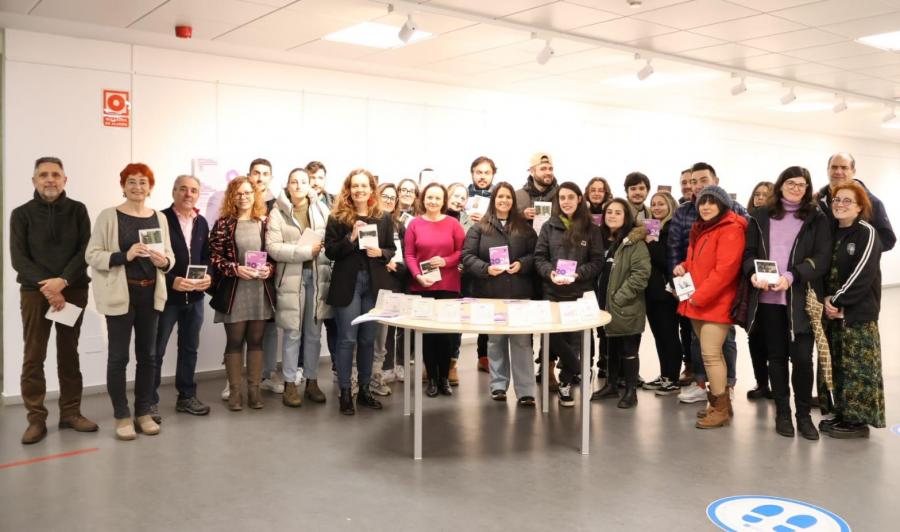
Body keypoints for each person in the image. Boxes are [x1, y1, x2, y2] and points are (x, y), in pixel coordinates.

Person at [85, 163, 175, 441]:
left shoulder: (159, 217)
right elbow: (92, 255)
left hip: (151, 295)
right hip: (121, 295)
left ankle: (143, 412)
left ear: (150, 187)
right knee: (119, 358)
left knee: (148, 357)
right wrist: (124, 255)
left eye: (143, 182)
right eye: (132, 182)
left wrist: (165, 262)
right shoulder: (108, 216)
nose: (138, 187)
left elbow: (169, 256)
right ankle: (122, 415)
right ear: (123, 185)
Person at [11, 156, 98, 444]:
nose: (50, 179)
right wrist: (50, 287)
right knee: (34, 357)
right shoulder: (21, 214)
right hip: (35, 294)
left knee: (68, 354)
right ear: (34, 180)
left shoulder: (77, 211)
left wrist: (62, 282)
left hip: (72, 291)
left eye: (56, 174)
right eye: (44, 175)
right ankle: (36, 419)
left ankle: (71, 413)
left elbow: (85, 250)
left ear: (65, 180)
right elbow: (19, 259)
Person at [743, 167, 831, 440]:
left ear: (807, 189)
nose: (796, 188)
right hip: (768, 301)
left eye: (802, 185)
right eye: (791, 183)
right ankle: (782, 413)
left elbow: (822, 257)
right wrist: (753, 273)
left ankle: (803, 416)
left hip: (800, 300)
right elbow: (748, 254)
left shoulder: (817, 218)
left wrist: (793, 276)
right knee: (777, 359)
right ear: (780, 186)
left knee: (803, 359)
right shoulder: (759, 217)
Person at [668, 162, 747, 405]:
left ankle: (721, 405)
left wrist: (698, 297)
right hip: (697, 300)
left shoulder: (732, 228)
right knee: (707, 352)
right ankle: (715, 400)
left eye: (711, 201)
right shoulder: (702, 229)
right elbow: (696, 261)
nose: (706, 206)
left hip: (713, 302)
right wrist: (683, 267)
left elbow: (724, 271)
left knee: (713, 354)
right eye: (702, 202)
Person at [324, 169, 396, 415]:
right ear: (348, 189)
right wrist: (351, 237)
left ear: (371, 189)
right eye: (355, 186)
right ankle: (346, 392)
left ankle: (365, 390)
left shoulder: (384, 217)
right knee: (347, 339)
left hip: (374, 285)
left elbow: (391, 248)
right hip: (348, 285)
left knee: (368, 340)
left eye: (364, 186)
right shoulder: (338, 217)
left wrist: (382, 254)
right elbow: (330, 252)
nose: (359, 190)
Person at [461, 182, 538, 405]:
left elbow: (537, 255)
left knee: (522, 342)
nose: (504, 200)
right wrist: (486, 269)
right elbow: (467, 257)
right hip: (491, 294)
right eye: (500, 197)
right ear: (493, 199)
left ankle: (525, 391)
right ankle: (498, 386)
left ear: (513, 201)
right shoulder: (479, 228)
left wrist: (521, 265)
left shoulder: (524, 228)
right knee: (495, 341)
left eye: (508, 197)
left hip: (520, 295)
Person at [820, 181, 886, 439]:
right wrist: (826, 300)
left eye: (848, 200)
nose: (840, 204)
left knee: (858, 368)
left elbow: (863, 273)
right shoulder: (833, 231)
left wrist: (837, 300)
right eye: (837, 200)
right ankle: (843, 413)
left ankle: (857, 422)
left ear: (860, 206)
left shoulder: (867, 233)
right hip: (833, 312)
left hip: (857, 315)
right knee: (838, 366)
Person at [534, 182, 604, 407]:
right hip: (552, 291)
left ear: (579, 199)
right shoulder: (548, 227)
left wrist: (578, 274)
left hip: (578, 292)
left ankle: (565, 384)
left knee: (574, 339)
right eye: (562, 198)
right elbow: (539, 258)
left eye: (570, 197)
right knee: (554, 337)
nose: (566, 201)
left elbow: (597, 261)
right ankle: (578, 368)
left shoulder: (591, 228)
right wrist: (550, 272)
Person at [209, 177, 275, 412]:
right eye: (238, 193)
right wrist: (235, 269)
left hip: (259, 290)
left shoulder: (265, 222)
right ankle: (236, 392)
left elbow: (274, 255)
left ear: (255, 195)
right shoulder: (224, 224)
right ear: (231, 197)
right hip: (235, 291)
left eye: (248, 193)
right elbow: (214, 257)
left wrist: (269, 269)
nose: (244, 197)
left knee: (256, 341)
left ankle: (254, 391)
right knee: (235, 341)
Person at [267, 168, 331, 407]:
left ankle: (312, 381)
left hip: (317, 277)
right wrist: (305, 251)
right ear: (288, 185)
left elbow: (328, 241)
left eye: (303, 181)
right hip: (291, 279)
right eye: (294, 181)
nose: (299, 185)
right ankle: (290, 384)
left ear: (309, 185)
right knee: (292, 333)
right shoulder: (277, 212)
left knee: (314, 334)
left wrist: (323, 247)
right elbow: (273, 248)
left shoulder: (322, 209)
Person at [152, 175, 212, 421]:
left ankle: (186, 397)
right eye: (183, 189)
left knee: (190, 349)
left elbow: (207, 256)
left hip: (195, 299)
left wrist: (210, 276)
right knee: (155, 351)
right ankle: (148, 402)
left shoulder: (202, 222)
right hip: (167, 299)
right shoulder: (160, 219)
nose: (189, 194)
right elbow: (151, 258)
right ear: (174, 191)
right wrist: (171, 280)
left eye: (194, 190)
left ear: (198, 195)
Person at [404, 182, 466, 398]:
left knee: (446, 337)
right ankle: (431, 379)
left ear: (444, 201)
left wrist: (446, 261)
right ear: (423, 199)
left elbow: (462, 252)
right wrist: (418, 276)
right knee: (428, 337)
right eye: (430, 197)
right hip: (423, 286)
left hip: (448, 286)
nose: (433, 201)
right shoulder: (414, 225)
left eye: (437, 198)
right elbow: (409, 255)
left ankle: (444, 379)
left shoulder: (453, 224)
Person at [590, 198, 650, 409]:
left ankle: (631, 391)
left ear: (626, 218)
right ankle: (611, 385)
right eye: (609, 212)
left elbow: (641, 275)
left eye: (618, 212)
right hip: (605, 306)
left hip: (625, 305)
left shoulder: (635, 243)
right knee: (610, 347)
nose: (612, 215)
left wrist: (618, 298)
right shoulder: (605, 241)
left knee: (628, 349)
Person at [246, 158, 284, 396]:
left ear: (271, 177)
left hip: (269, 274)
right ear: (249, 175)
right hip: (242, 273)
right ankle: (237, 379)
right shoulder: (239, 199)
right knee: (239, 327)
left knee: (269, 327)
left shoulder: (277, 205)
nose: (260, 178)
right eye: (256, 173)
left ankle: (267, 374)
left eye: (265, 174)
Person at [640, 191, 682, 396]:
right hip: (651, 292)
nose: (656, 208)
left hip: (666, 293)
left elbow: (667, 261)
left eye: (661, 204)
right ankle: (665, 375)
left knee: (669, 335)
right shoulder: (653, 229)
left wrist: (650, 242)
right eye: (653, 204)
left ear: (670, 206)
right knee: (659, 336)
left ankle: (673, 378)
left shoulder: (672, 229)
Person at [817, 152, 895, 251]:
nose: (838, 171)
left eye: (844, 167)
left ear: (853, 171)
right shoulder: (816, 201)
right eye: (834, 167)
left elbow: (887, 239)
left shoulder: (872, 202)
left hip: (854, 264)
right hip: (821, 264)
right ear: (828, 170)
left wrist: (852, 251)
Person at [372, 182, 409, 389]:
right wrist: (383, 261)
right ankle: (368, 375)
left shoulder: (399, 226)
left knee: (386, 333)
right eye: (384, 195)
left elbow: (406, 257)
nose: (387, 200)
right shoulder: (369, 221)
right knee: (372, 334)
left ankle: (382, 372)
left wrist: (396, 266)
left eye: (391, 197)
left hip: (394, 283)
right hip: (372, 283)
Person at [743, 180, 775, 400]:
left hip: (777, 288)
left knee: (775, 341)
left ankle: (777, 385)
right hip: (753, 288)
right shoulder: (749, 222)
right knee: (754, 338)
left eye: (765, 194)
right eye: (757, 194)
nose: (760, 198)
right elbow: (747, 254)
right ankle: (761, 383)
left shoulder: (777, 222)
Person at [516, 152, 558, 222]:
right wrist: (521, 215)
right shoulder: (517, 196)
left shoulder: (561, 195)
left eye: (550, 169)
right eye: (543, 169)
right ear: (532, 172)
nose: (548, 172)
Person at [467, 156, 496, 225]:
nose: (483, 177)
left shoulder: (500, 198)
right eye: (479, 172)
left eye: (487, 173)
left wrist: (489, 220)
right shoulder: (462, 196)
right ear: (472, 174)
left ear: (493, 175)